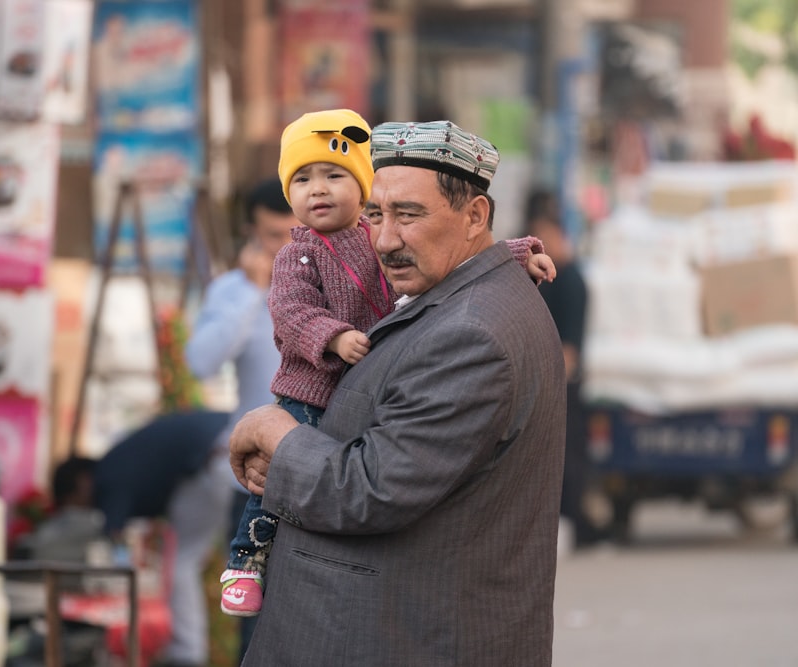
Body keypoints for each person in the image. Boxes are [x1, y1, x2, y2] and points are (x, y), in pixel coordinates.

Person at [229, 120, 567, 666]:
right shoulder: (462, 295)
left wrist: (275, 434)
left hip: (411, 640)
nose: (385, 240)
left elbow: (372, 489)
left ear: (475, 216)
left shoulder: (471, 334)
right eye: (374, 216)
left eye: (408, 215)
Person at [184, 176, 297, 662]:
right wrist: (254, 293)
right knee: (254, 622)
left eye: (297, 234)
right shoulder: (233, 291)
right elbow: (200, 362)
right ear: (252, 234)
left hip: (325, 475)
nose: (288, 248)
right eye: (274, 237)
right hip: (253, 484)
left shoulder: (334, 288)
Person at [93, 409, 232, 667]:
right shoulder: (123, 457)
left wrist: (121, 570)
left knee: (182, 563)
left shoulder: (107, 474)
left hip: (214, 459)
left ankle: (186, 654)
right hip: (229, 446)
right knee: (243, 561)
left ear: (80, 481)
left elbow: (115, 538)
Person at [525, 191, 597, 547]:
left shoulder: (571, 280)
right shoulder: (542, 276)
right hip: (541, 381)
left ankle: (573, 524)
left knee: (568, 460)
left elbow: (571, 346)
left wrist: (553, 386)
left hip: (562, 385)